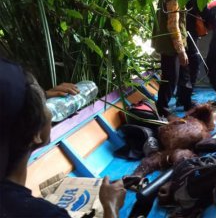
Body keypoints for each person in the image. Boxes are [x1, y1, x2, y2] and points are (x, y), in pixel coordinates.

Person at [0, 56, 126, 218]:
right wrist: (111, 206)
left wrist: (41, 96)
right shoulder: (41, 214)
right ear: (36, 134)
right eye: (44, 104)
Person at [152, 0, 189, 116]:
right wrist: (181, 50)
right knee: (171, 77)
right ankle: (162, 108)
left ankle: (170, 103)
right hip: (170, 43)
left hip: (167, 41)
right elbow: (173, 24)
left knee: (171, 75)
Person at [176, 0, 203, 111]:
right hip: (189, 39)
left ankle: (181, 98)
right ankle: (186, 102)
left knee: (183, 70)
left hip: (181, 39)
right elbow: (204, 12)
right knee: (191, 69)